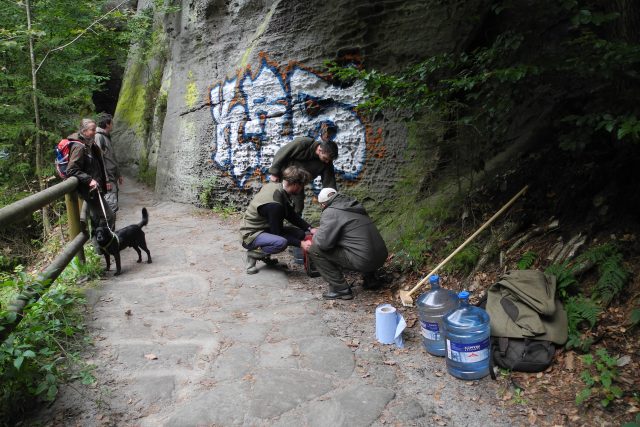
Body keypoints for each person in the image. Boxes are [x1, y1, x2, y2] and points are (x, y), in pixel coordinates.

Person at [301, 188, 388, 300]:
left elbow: (322, 244)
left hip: (364, 260)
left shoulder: (330, 212)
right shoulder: (354, 206)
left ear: (323, 204)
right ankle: (371, 278)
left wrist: (319, 231)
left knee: (314, 248)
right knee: (357, 242)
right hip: (381, 257)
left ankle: (340, 289)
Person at [239, 165, 316, 274]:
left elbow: (291, 215)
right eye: (301, 186)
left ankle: (265, 255)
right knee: (281, 242)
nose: (301, 189)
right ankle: (254, 253)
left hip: (264, 228)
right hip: (250, 235)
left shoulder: (277, 188)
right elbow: (278, 233)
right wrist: (301, 244)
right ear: (294, 184)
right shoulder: (275, 206)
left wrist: (310, 228)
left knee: (299, 233)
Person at [268, 123, 339, 214]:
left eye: (329, 160)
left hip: (298, 183)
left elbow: (329, 182)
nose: (327, 162)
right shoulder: (303, 143)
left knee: (298, 206)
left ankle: (294, 226)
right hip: (283, 176)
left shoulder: (327, 162)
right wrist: (274, 173)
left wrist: (331, 198)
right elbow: (282, 153)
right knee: (275, 201)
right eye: (325, 158)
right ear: (320, 149)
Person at [65, 118, 115, 234]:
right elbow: (71, 170)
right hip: (90, 190)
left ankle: (99, 247)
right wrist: (89, 180)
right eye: (92, 130)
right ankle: (105, 244)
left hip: (95, 189)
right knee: (109, 216)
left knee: (97, 219)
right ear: (84, 131)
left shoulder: (88, 144)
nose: (95, 132)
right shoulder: (79, 147)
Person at [95, 113, 123, 215]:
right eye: (112, 123)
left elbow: (112, 157)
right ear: (107, 124)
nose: (113, 125)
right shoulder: (99, 137)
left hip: (112, 177)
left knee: (113, 204)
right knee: (111, 206)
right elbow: (99, 159)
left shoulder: (106, 136)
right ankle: (110, 230)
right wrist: (106, 179)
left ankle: (112, 229)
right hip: (108, 179)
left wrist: (119, 174)